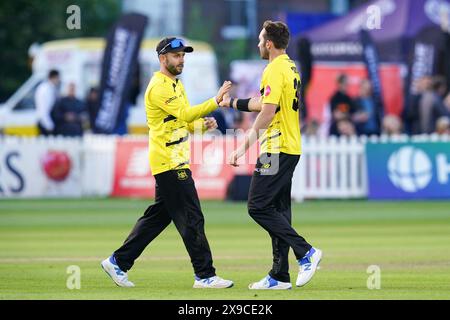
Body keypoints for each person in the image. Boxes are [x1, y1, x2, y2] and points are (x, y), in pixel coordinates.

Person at [101, 37, 233, 289]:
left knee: (158, 217)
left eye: (183, 55)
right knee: (192, 217)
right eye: (176, 56)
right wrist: (214, 102)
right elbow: (184, 114)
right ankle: (205, 275)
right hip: (169, 162)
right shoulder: (159, 86)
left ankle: (117, 262)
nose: (181, 59)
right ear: (163, 59)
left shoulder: (175, 84)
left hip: (173, 158)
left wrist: (201, 127)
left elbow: (180, 123)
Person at [221, 20, 322, 290]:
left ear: (268, 43)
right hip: (289, 147)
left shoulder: (273, 69)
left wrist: (241, 147)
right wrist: (231, 102)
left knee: (257, 206)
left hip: (275, 149)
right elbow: (263, 104)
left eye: (259, 40)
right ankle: (279, 275)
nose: (257, 45)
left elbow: (267, 113)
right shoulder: (290, 67)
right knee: (278, 210)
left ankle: (306, 252)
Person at [35, 69, 60, 135]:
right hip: (45, 123)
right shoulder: (46, 90)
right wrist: (49, 125)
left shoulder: (50, 88)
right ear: (54, 77)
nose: (59, 80)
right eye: (58, 78)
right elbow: (43, 109)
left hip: (46, 121)